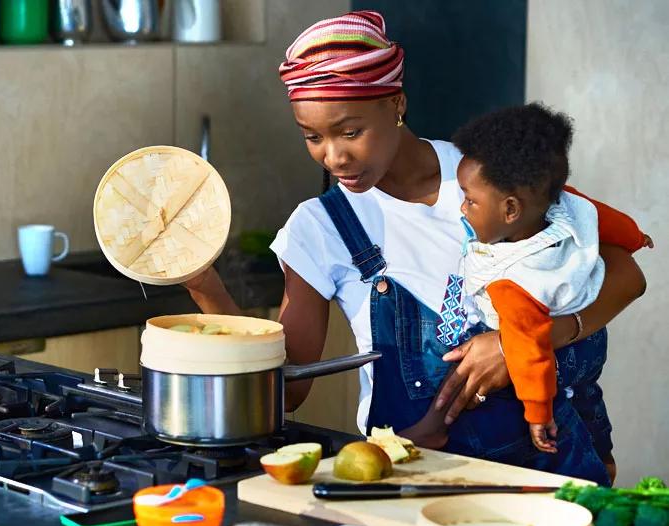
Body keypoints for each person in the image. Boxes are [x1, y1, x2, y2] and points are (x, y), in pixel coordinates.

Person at [182, 10, 647, 485]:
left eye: (350, 131)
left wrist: (525, 341)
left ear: (396, 103)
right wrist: (204, 286)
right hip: (420, 480)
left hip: (557, 469)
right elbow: (286, 391)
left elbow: (628, 276)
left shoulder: (487, 175)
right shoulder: (318, 227)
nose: (334, 157)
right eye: (313, 137)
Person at [440, 103, 652, 456]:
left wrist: (538, 412)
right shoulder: (564, 204)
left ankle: (586, 460)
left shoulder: (512, 282)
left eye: (470, 200)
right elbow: (602, 218)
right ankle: (603, 456)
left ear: (510, 209)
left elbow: (525, 349)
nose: (462, 208)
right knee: (587, 397)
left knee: (562, 409)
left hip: (552, 352)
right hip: (592, 334)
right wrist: (635, 237)